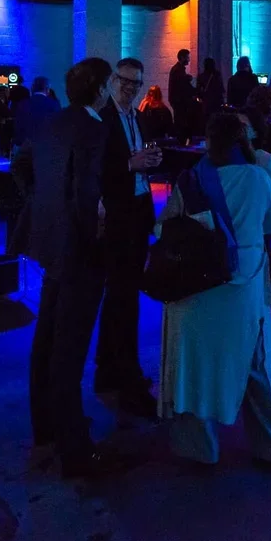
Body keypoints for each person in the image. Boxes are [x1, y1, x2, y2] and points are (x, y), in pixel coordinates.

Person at [156, 111, 271, 468]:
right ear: (241, 141)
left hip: (194, 287)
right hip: (242, 286)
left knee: (193, 366)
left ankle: (198, 449)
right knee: (255, 364)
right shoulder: (257, 177)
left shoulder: (190, 179)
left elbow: (166, 228)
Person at [14, 57, 125, 480]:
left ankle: (47, 430)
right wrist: (91, 232)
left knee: (46, 341)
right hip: (80, 251)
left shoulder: (51, 122)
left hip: (51, 245)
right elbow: (84, 191)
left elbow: (20, 166)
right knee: (70, 350)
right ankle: (75, 451)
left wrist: (43, 208)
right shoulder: (94, 128)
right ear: (99, 88)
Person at [92, 58, 165, 415]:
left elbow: (136, 162)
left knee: (122, 295)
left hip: (137, 212)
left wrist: (150, 161)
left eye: (135, 83)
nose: (129, 88)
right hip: (118, 216)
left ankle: (109, 372)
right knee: (123, 298)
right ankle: (127, 379)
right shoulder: (103, 120)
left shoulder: (136, 117)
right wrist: (129, 165)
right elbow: (94, 169)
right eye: (124, 81)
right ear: (111, 81)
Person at [16, 76, 60, 149]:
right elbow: (57, 126)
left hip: (25, 146)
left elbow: (18, 126)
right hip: (47, 146)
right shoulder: (54, 104)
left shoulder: (22, 104)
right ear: (47, 89)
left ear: (32, 88)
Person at [168, 49, 196, 139]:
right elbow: (183, 87)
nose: (189, 60)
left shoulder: (177, 69)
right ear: (182, 57)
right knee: (181, 124)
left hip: (177, 101)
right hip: (180, 102)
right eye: (187, 57)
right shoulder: (178, 70)